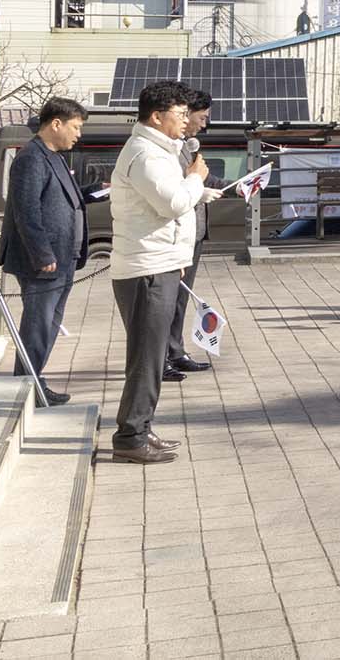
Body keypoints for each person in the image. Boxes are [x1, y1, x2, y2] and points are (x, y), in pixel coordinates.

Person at [106, 82, 208, 463]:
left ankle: (140, 429)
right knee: (147, 358)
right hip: (146, 269)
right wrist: (196, 177)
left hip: (160, 264)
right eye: (180, 114)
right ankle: (131, 436)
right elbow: (173, 204)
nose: (186, 121)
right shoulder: (147, 156)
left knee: (149, 355)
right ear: (156, 116)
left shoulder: (159, 152)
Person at [0, 97, 91, 404]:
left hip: (64, 258)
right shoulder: (31, 158)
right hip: (43, 262)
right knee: (38, 325)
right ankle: (27, 386)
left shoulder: (54, 156)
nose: (78, 134)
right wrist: (42, 254)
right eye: (75, 127)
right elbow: (26, 212)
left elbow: (64, 197)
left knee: (49, 324)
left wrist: (94, 192)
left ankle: (33, 382)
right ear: (56, 124)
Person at [163, 87, 217, 380]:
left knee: (180, 300)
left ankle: (175, 350)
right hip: (174, 237)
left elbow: (201, 176)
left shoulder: (187, 146)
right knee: (167, 300)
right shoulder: (168, 149)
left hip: (192, 235)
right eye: (200, 117)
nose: (198, 123)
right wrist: (198, 189)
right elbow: (176, 191)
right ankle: (162, 358)